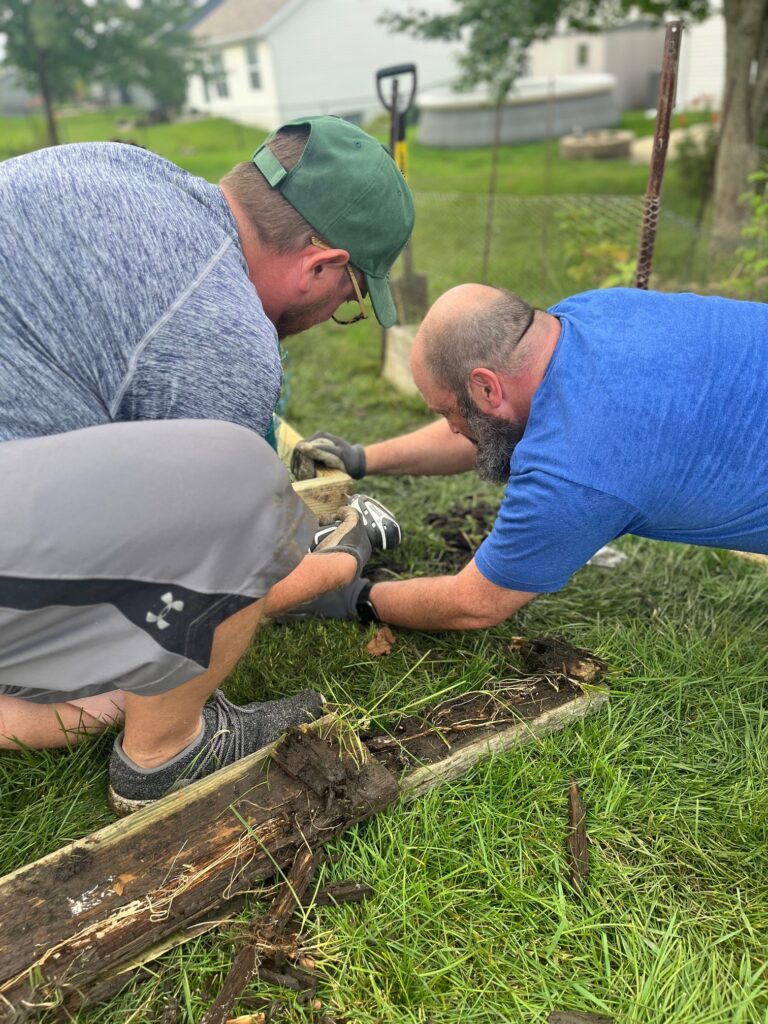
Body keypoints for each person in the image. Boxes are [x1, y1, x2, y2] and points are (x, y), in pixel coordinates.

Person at [0, 115, 414, 815]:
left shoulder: (113, 169)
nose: (330, 315)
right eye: (347, 302)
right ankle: (167, 753)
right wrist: (339, 562)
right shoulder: (222, 336)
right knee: (243, 487)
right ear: (320, 265)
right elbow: (208, 578)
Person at [292, 283, 768, 631]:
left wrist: (357, 598)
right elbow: (485, 425)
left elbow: (474, 603)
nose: (452, 426)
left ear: (485, 387)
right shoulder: (584, 317)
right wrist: (360, 458)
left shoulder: (573, 469)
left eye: (447, 412)